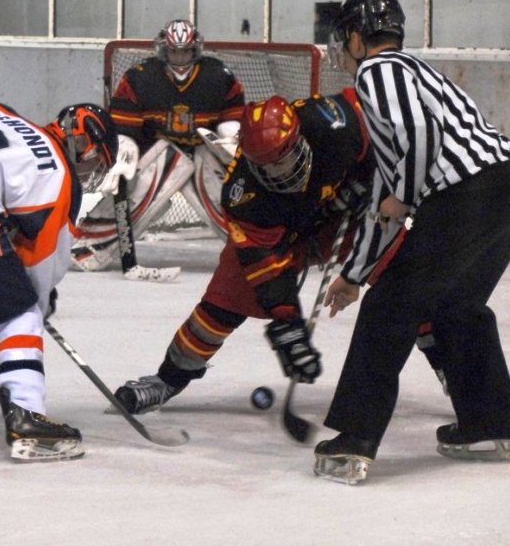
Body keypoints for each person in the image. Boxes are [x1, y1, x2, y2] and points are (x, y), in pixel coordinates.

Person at [313, 0, 510, 484]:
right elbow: (385, 196)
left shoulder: (378, 71)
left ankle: (354, 439)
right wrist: (353, 274)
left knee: (390, 307)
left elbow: (417, 141)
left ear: (357, 36)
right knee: (455, 308)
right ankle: (488, 426)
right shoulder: (419, 74)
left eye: (344, 37)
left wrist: (407, 194)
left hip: (469, 196)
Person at [111, 91, 375, 414]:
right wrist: (288, 324)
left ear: (299, 137)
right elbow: (265, 268)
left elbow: (384, 134)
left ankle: (448, 363)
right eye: (269, 168)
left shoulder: (333, 123)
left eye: (285, 161)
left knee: (406, 266)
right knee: (222, 303)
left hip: (342, 219)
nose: (281, 173)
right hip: (280, 234)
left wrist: (369, 181)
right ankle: (168, 379)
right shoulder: (242, 196)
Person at [0, 100, 119, 461]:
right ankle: (27, 415)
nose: (90, 172)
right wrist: (41, 299)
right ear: (85, 145)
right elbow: (38, 263)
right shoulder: (59, 175)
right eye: (95, 162)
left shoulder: (4, 111)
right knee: (20, 309)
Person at [72, 18, 245, 279]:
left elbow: (232, 119)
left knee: (228, 197)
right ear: (164, 49)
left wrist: (230, 140)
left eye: (185, 51)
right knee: (134, 189)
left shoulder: (218, 75)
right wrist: (124, 156)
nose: (179, 57)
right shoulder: (140, 77)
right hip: (158, 153)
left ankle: (253, 250)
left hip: (203, 153)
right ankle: (89, 248)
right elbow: (124, 129)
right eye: (174, 51)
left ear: (195, 50)